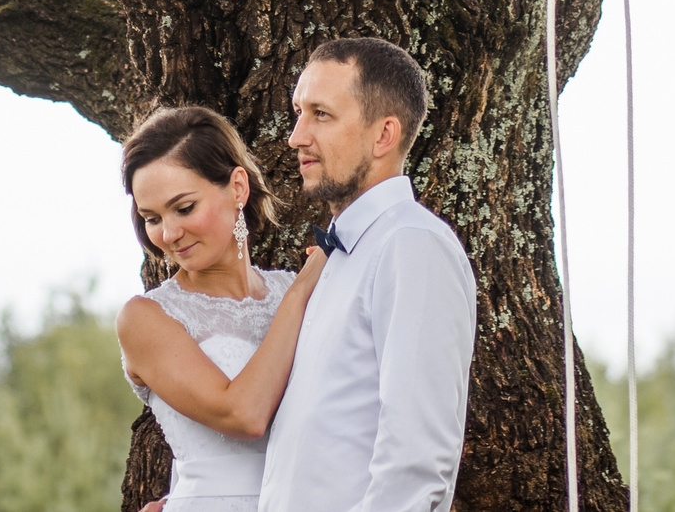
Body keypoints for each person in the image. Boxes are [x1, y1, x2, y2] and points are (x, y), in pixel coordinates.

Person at [258, 36, 478, 512]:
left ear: (384, 136)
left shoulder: (412, 246)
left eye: (321, 114)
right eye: (299, 112)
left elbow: (416, 469)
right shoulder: (338, 258)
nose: (296, 137)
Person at [119, 105, 329, 512]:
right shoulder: (145, 318)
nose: (168, 234)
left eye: (184, 208)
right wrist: (305, 286)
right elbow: (245, 415)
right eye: (151, 218)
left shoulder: (291, 288)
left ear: (237, 187)